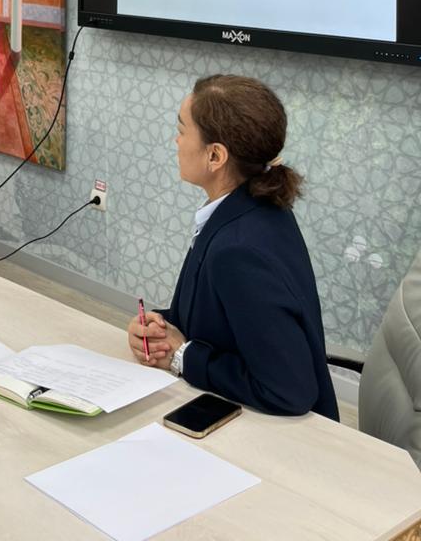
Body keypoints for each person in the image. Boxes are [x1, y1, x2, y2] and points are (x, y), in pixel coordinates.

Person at [128, 74, 338, 420]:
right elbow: (225, 315)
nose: (175, 140)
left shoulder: (239, 249)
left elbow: (289, 391)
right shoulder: (245, 209)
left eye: (182, 130)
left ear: (215, 155)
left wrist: (182, 356)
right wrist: (161, 328)